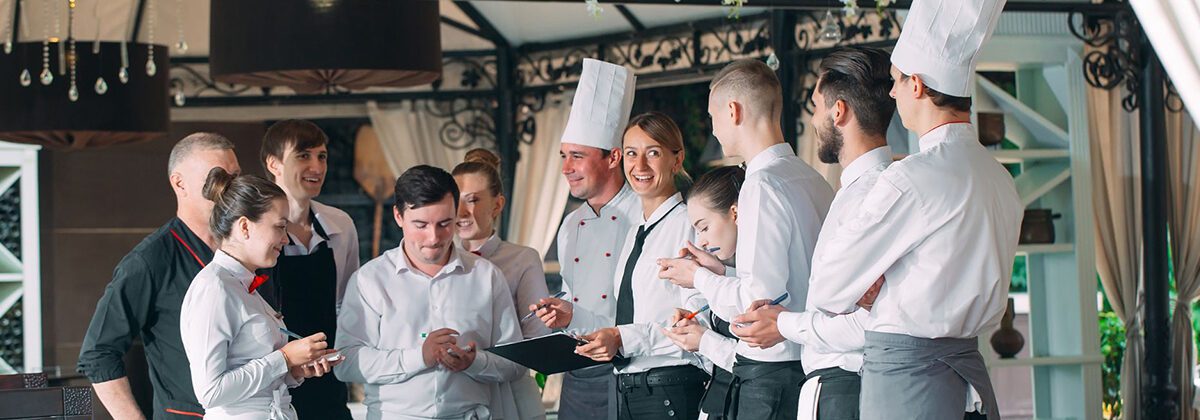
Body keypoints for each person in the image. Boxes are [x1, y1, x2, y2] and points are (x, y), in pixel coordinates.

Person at [805, 1, 1020, 418]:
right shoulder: (999, 178)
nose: (891, 92)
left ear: (917, 86)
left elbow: (830, 288)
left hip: (906, 380)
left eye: (897, 81)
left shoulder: (911, 178)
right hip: (968, 372)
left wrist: (877, 281)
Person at [656, 58, 834, 419]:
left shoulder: (760, 184)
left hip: (770, 378)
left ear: (733, 111)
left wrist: (699, 279)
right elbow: (794, 283)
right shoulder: (812, 178)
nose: (714, 130)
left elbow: (757, 301)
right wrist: (721, 276)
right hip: (811, 362)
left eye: (712, 117)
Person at [729, 47, 896, 420]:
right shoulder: (846, 189)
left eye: (816, 106)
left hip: (848, 385)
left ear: (839, 112)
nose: (814, 118)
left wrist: (784, 323)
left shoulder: (870, 195)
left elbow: (876, 321)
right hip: (839, 384)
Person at [548, 112, 709, 420]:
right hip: (631, 389)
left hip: (671, 391)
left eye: (654, 153)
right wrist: (574, 316)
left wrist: (622, 338)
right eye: (632, 154)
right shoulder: (637, 231)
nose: (640, 166)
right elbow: (633, 312)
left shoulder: (689, 225)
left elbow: (696, 322)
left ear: (677, 160)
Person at [334, 165, 527, 419]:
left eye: (445, 223)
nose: (434, 237)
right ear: (398, 216)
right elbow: (346, 362)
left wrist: (475, 362)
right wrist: (419, 357)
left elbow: (516, 362)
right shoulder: (370, 280)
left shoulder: (486, 276)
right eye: (421, 224)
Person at [77, 133, 240, 419]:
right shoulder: (149, 261)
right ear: (180, 183)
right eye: (217, 177)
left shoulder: (250, 249)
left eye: (235, 177)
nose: (231, 188)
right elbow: (98, 353)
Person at [529, 58, 641, 420]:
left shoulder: (644, 216)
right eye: (563, 156)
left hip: (629, 368)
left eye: (577, 156)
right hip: (577, 369)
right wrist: (557, 309)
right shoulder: (569, 224)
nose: (565, 168)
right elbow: (573, 291)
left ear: (613, 157)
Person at [180, 169, 340, 420]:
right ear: (244, 226)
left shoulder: (244, 286)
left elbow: (254, 377)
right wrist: (285, 358)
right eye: (279, 227)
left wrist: (295, 370)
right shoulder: (214, 288)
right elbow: (210, 391)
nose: (286, 239)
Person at [256, 119, 359, 420]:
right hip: (273, 383)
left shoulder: (341, 225)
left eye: (322, 156)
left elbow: (347, 305)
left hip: (328, 377)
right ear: (273, 163)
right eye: (304, 155)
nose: (317, 166)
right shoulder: (252, 231)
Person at [452, 148, 549, 420]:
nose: (461, 212)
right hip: (452, 392)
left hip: (511, 393)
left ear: (497, 205)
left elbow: (536, 338)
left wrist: (484, 361)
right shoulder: (436, 261)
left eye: (472, 200)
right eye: (456, 200)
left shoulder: (522, 259)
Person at [660, 165, 744, 420]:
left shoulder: (764, 282)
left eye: (704, 227)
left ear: (735, 213)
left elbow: (761, 365)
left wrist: (704, 340)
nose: (702, 242)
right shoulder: (727, 274)